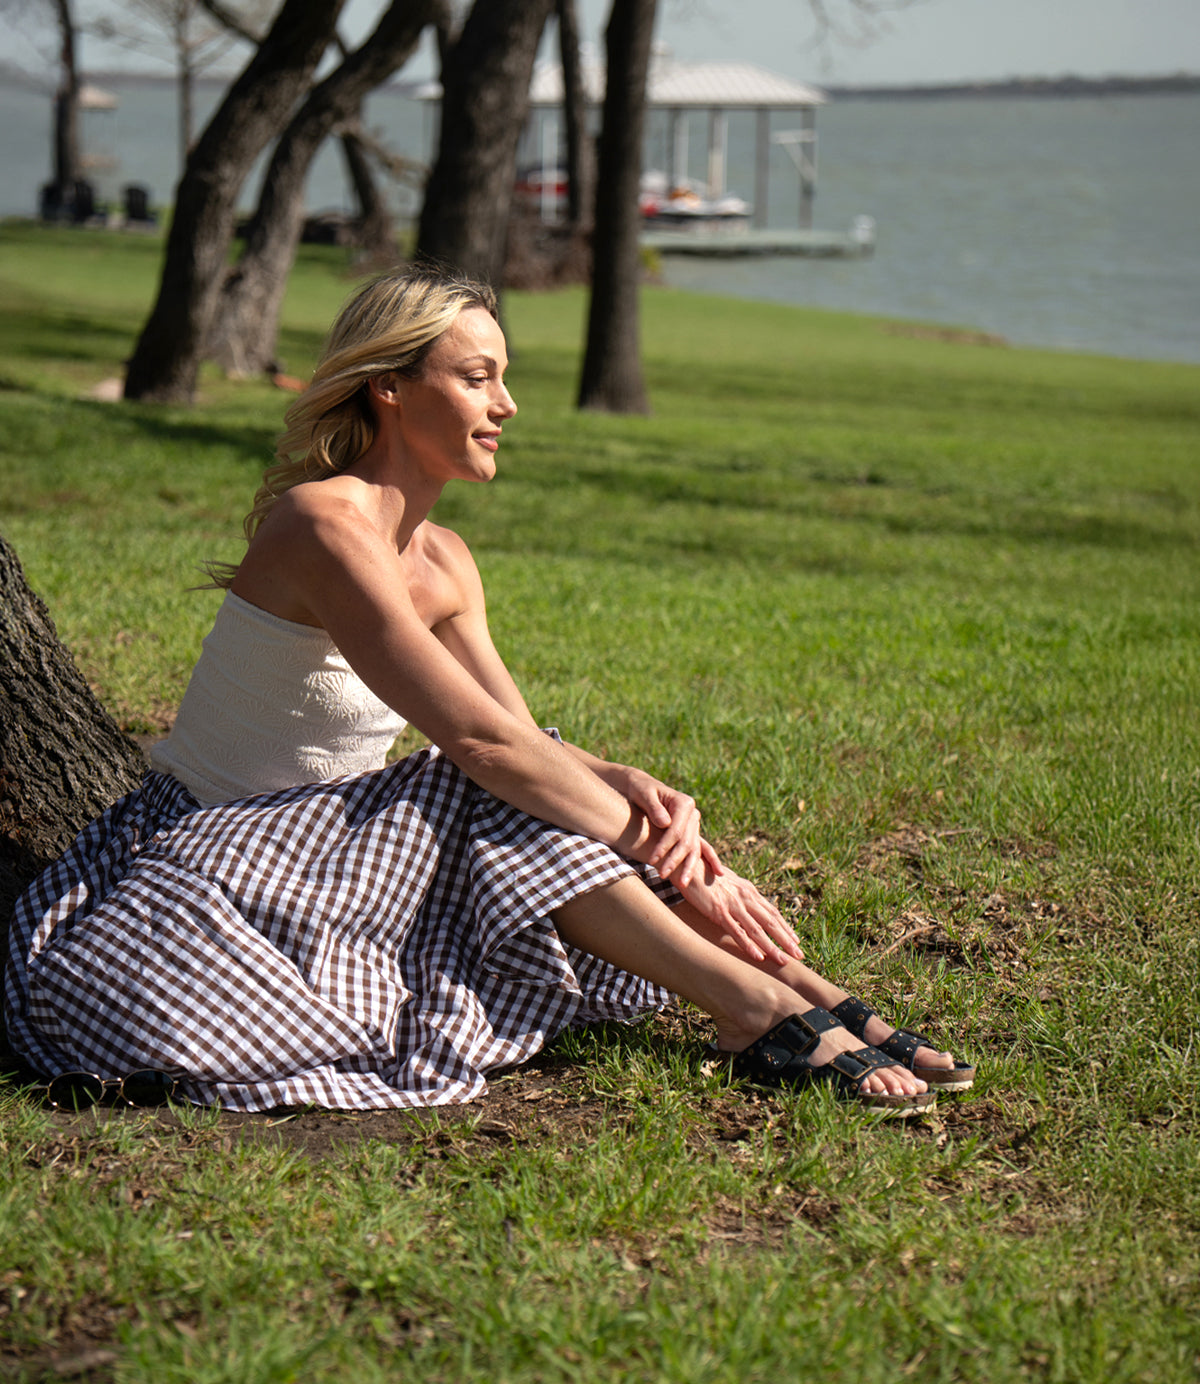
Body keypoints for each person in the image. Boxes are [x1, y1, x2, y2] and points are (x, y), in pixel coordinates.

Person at [4, 269, 973, 1117]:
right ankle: (757, 1005)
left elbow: (518, 733)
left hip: (326, 862)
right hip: (201, 870)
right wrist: (686, 873)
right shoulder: (322, 526)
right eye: (477, 377)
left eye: (504, 377)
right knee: (481, 777)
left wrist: (626, 782)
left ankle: (798, 991)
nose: (506, 403)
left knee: (540, 776)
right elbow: (485, 746)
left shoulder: (445, 559)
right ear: (388, 385)